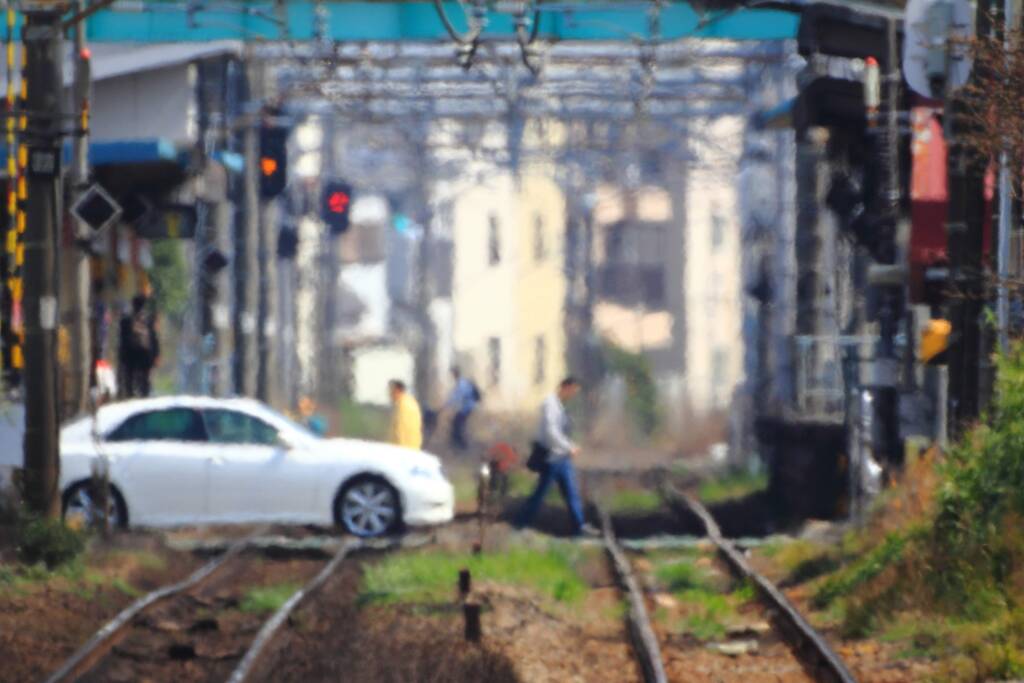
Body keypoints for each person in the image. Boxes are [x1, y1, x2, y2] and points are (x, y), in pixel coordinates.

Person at [515, 377, 600, 537]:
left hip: (562, 458)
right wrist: (570, 447)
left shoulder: (559, 405)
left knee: (572, 493)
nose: (573, 395)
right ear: (565, 387)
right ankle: (521, 523)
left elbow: (559, 432)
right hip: (552, 458)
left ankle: (579, 526)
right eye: (573, 390)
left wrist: (568, 447)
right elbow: (551, 432)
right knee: (540, 494)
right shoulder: (550, 404)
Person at [119, 295, 159, 398]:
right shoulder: (148, 319)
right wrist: (156, 354)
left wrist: (121, 356)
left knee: (130, 377)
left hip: (130, 354)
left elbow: (122, 339)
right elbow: (154, 338)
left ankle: (130, 395)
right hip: (145, 354)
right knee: (144, 378)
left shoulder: (126, 320)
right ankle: (144, 395)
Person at [445, 368, 479, 451]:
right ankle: (459, 443)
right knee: (457, 423)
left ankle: (461, 444)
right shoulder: (461, 382)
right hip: (467, 406)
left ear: (455, 374)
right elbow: (455, 396)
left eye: (452, 374)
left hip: (468, 407)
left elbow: (456, 397)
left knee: (457, 423)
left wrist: (446, 405)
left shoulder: (461, 384)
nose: (451, 376)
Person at [388, 379, 423, 450]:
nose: (389, 394)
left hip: (403, 450)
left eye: (391, 390)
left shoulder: (402, 406)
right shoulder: (411, 402)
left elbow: (400, 430)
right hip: (413, 448)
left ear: (397, 390)